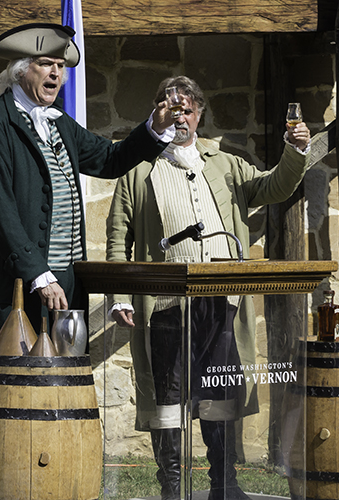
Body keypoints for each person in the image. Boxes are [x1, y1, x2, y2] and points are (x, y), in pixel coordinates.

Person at [105, 75, 312, 500]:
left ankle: (225, 483)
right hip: (165, 303)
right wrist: (119, 297)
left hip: (221, 302)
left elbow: (274, 186)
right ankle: (172, 487)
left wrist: (296, 152)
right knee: (169, 398)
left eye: (188, 108)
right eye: (171, 107)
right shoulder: (137, 168)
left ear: (200, 114)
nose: (180, 115)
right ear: (158, 112)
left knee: (219, 394)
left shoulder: (223, 163)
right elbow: (116, 240)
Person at [0, 23, 175, 352]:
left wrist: (154, 129)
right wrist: (38, 274)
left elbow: (110, 159)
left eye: (60, 67)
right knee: (21, 388)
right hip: (20, 285)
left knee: (64, 385)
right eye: (46, 64)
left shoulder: (57, 121)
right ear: (21, 71)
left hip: (66, 283)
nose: (56, 74)